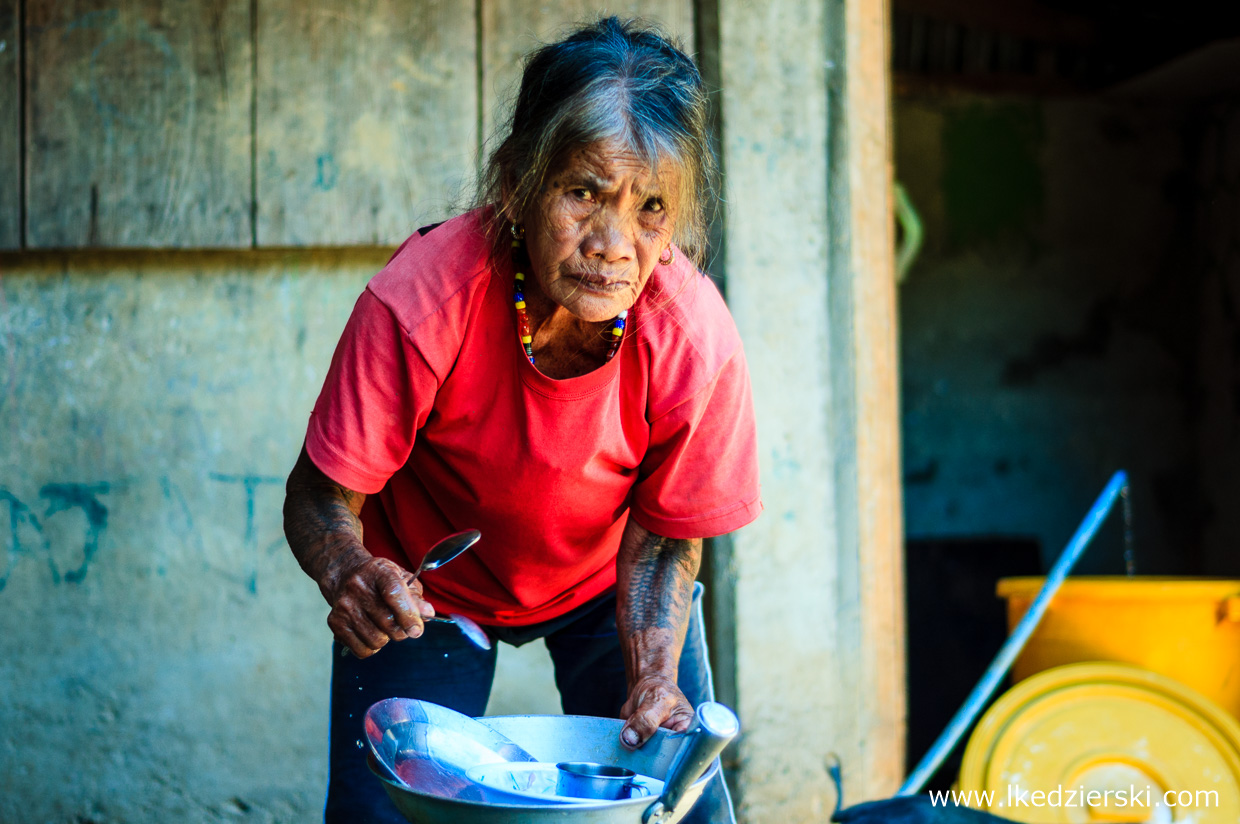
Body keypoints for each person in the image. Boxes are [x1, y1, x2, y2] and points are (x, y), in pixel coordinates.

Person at [282, 16, 761, 824]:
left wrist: (653, 671)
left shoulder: (690, 336)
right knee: (381, 815)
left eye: (650, 208)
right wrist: (349, 570)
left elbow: (672, 534)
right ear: (516, 181)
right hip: (426, 584)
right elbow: (320, 494)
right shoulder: (424, 302)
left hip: (606, 579)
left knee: (675, 807)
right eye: (583, 193)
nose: (613, 244)